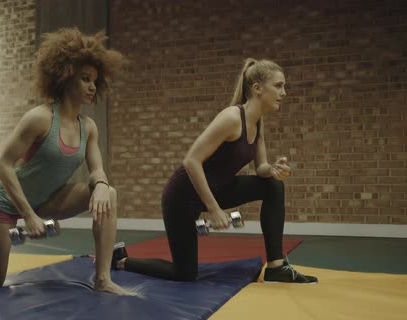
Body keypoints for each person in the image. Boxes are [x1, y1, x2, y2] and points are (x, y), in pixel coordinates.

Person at [0, 28, 134, 295]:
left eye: (95, 80)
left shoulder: (88, 127)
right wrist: (28, 215)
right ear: (66, 77)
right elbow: (3, 165)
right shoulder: (40, 118)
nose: (92, 86)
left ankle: (102, 279)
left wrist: (101, 183)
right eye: (85, 79)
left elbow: (97, 168)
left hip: (47, 199)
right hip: (8, 201)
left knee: (108, 194)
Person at [114, 58, 318, 283]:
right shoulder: (232, 118)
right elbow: (191, 161)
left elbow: (261, 168)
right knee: (184, 274)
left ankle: (276, 267)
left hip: (219, 187)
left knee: (273, 185)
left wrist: (273, 169)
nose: (284, 92)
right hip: (182, 197)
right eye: (278, 86)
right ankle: (122, 260)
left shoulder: (258, 122)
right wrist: (214, 209)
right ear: (257, 89)